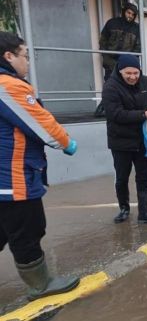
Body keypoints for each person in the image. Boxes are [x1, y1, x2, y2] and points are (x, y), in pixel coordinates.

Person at [0, 31, 80, 300]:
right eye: (25, 56)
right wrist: (67, 142)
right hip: (13, 179)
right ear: (8, 56)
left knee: (4, 229)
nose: (28, 62)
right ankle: (40, 285)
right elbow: (42, 125)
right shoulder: (8, 86)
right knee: (28, 230)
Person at [102, 54, 147, 225]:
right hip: (120, 142)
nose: (133, 77)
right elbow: (115, 114)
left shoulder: (145, 82)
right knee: (122, 177)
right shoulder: (110, 87)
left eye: (136, 73)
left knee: (144, 178)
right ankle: (124, 209)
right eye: (128, 73)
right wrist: (143, 114)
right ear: (120, 71)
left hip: (143, 140)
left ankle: (145, 213)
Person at [99, 3, 141, 81]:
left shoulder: (137, 28)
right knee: (110, 85)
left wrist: (130, 61)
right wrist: (106, 58)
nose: (130, 16)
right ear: (124, 11)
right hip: (110, 62)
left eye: (133, 14)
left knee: (126, 88)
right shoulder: (112, 23)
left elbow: (138, 48)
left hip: (126, 64)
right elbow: (103, 41)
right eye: (128, 13)